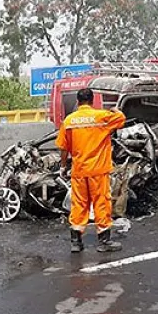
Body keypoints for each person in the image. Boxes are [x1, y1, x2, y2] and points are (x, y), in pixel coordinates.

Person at [55, 88, 126, 253]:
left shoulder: (69, 121)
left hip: (79, 171)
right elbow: (121, 119)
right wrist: (115, 109)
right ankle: (104, 241)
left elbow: (63, 148)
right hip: (98, 171)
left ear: (78, 102)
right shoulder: (101, 117)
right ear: (92, 101)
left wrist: (63, 166)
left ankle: (76, 242)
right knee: (101, 203)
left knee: (79, 204)